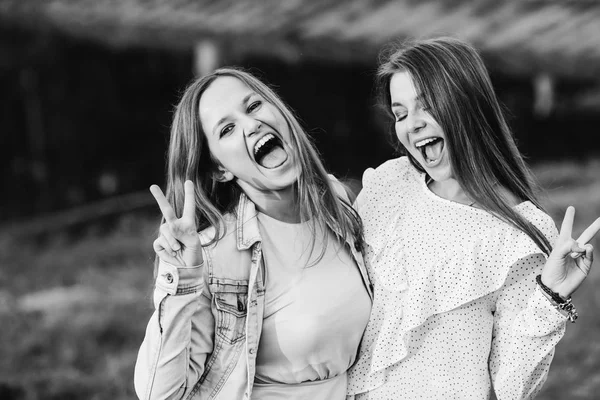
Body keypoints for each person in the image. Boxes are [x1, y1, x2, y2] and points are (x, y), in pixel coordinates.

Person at [346, 37, 600, 399]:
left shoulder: (517, 234)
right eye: (400, 113)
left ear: (468, 106)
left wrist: (551, 295)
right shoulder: (388, 185)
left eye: (426, 107)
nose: (412, 125)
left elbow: (512, 385)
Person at [133, 68, 373, 400]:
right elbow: (160, 394)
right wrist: (181, 279)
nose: (251, 124)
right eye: (227, 129)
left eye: (254, 106)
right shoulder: (216, 255)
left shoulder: (335, 202)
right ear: (220, 168)